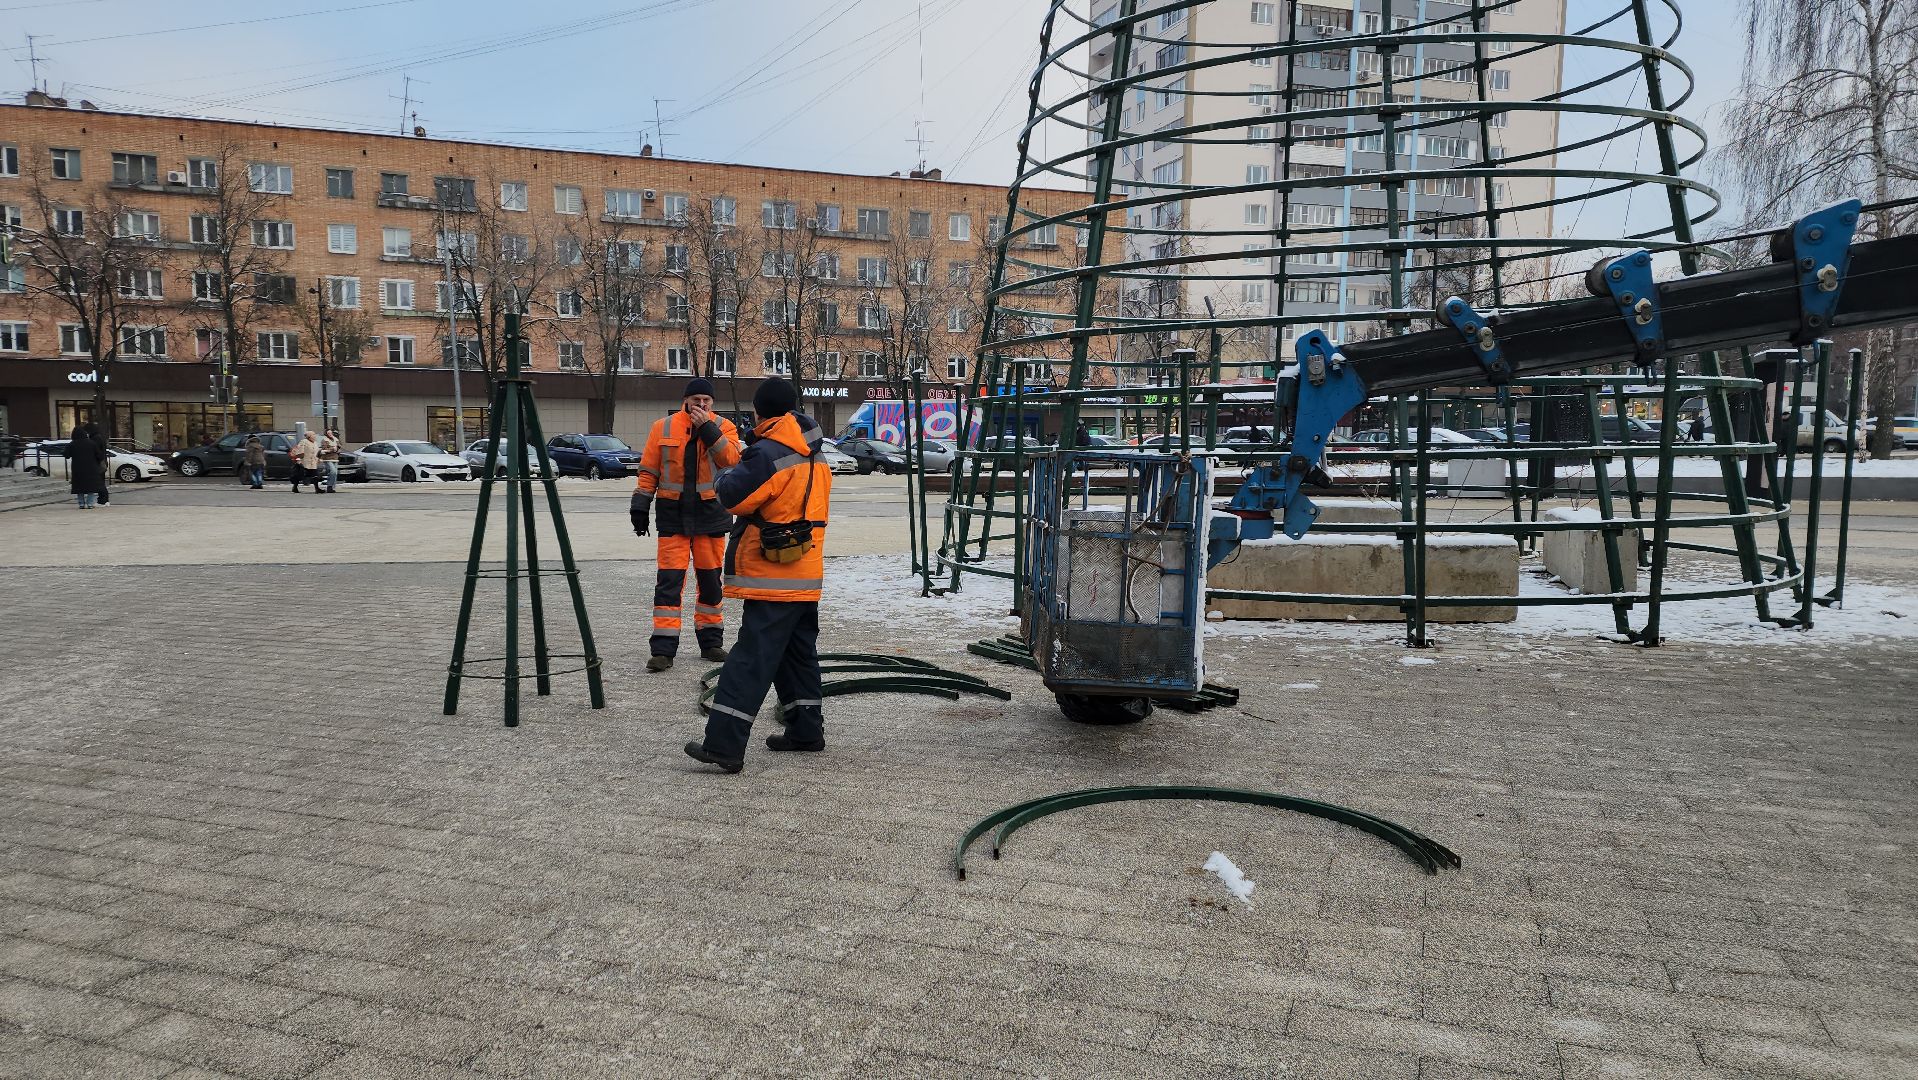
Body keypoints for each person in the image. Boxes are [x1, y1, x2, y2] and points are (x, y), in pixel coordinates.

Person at [684, 378, 833, 774]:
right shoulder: (815, 453)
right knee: (797, 655)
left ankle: (724, 746)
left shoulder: (767, 453)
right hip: (806, 571)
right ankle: (805, 731)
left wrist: (723, 475)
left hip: (772, 574)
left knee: (751, 659)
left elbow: (732, 496)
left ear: (759, 412)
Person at [632, 377, 741, 671]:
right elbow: (649, 470)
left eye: (706, 400)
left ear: (712, 403)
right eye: (696, 400)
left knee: (710, 582)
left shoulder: (724, 427)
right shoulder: (663, 427)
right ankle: (663, 650)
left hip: (711, 514)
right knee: (669, 583)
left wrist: (708, 429)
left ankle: (711, 643)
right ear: (686, 401)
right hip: (673, 515)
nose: (701, 404)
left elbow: (732, 460)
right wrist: (640, 504)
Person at [62, 424, 107, 509]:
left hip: (77, 468)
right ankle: (90, 504)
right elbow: (100, 456)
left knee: (79, 487)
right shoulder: (91, 443)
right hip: (91, 468)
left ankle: (81, 504)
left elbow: (66, 455)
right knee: (91, 486)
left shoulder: (72, 444)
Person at [319, 429, 341, 493]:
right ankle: (329, 486)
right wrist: (332, 449)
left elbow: (339, 447)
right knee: (333, 471)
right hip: (328, 458)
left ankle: (332, 487)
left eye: (331, 433)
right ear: (326, 434)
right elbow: (324, 449)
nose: (330, 434)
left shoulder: (336, 439)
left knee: (335, 473)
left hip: (335, 458)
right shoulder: (324, 440)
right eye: (328, 433)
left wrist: (338, 449)